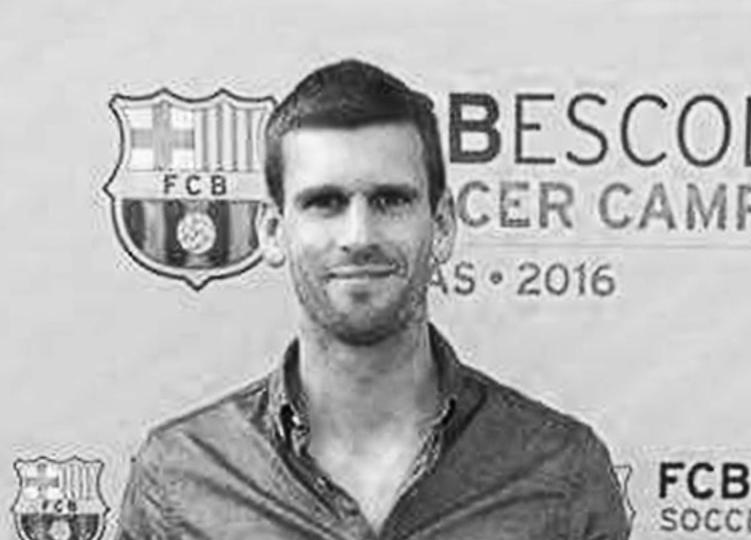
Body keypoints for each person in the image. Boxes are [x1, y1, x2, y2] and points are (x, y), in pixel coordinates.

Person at [116, 59, 630, 540]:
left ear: (442, 225)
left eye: (390, 200)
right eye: (325, 202)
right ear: (272, 231)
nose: (358, 236)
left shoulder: (560, 472)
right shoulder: (182, 479)